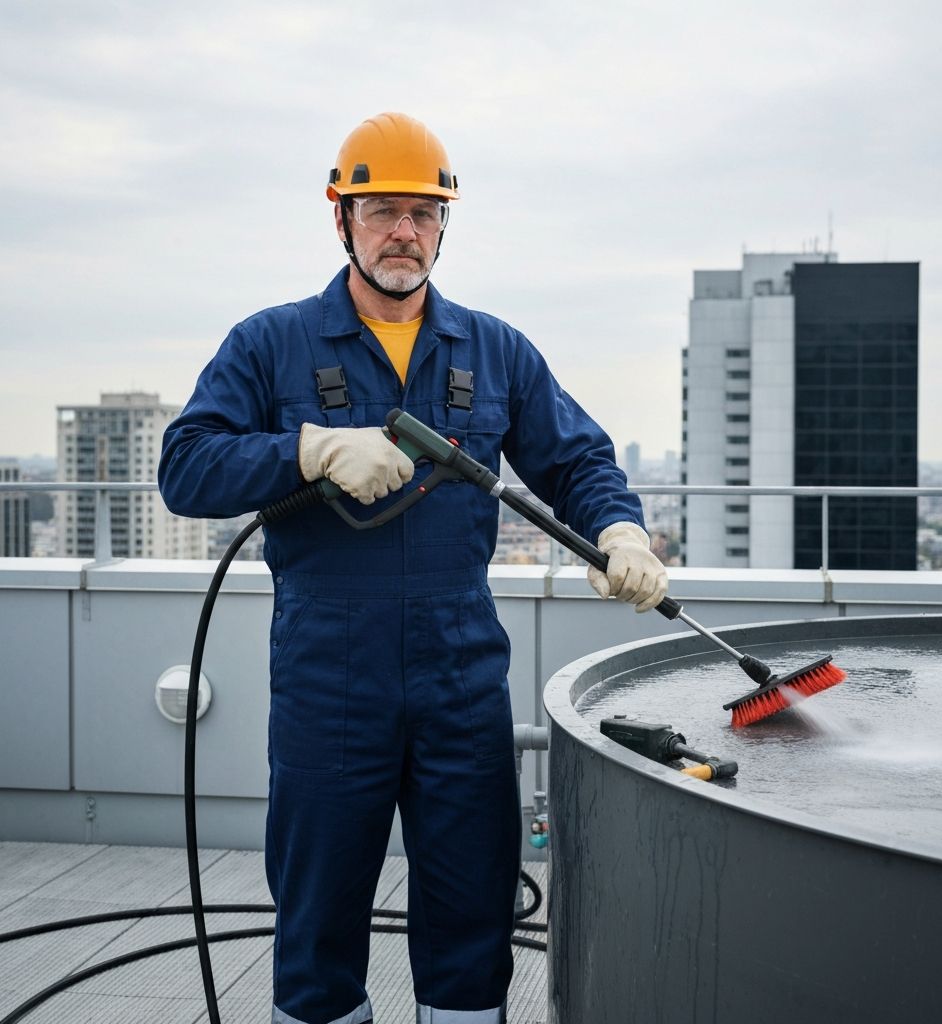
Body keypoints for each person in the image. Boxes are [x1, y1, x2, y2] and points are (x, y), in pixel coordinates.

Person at [159, 111, 668, 1024]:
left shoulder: (493, 349)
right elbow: (187, 467)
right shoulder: (271, 343)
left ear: (445, 226)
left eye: (424, 214)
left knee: (472, 918)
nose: (405, 231)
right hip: (327, 670)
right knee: (317, 925)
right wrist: (307, 449)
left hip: (458, 667)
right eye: (384, 209)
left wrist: (621, 530)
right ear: (342, 219)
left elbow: (580, 460)